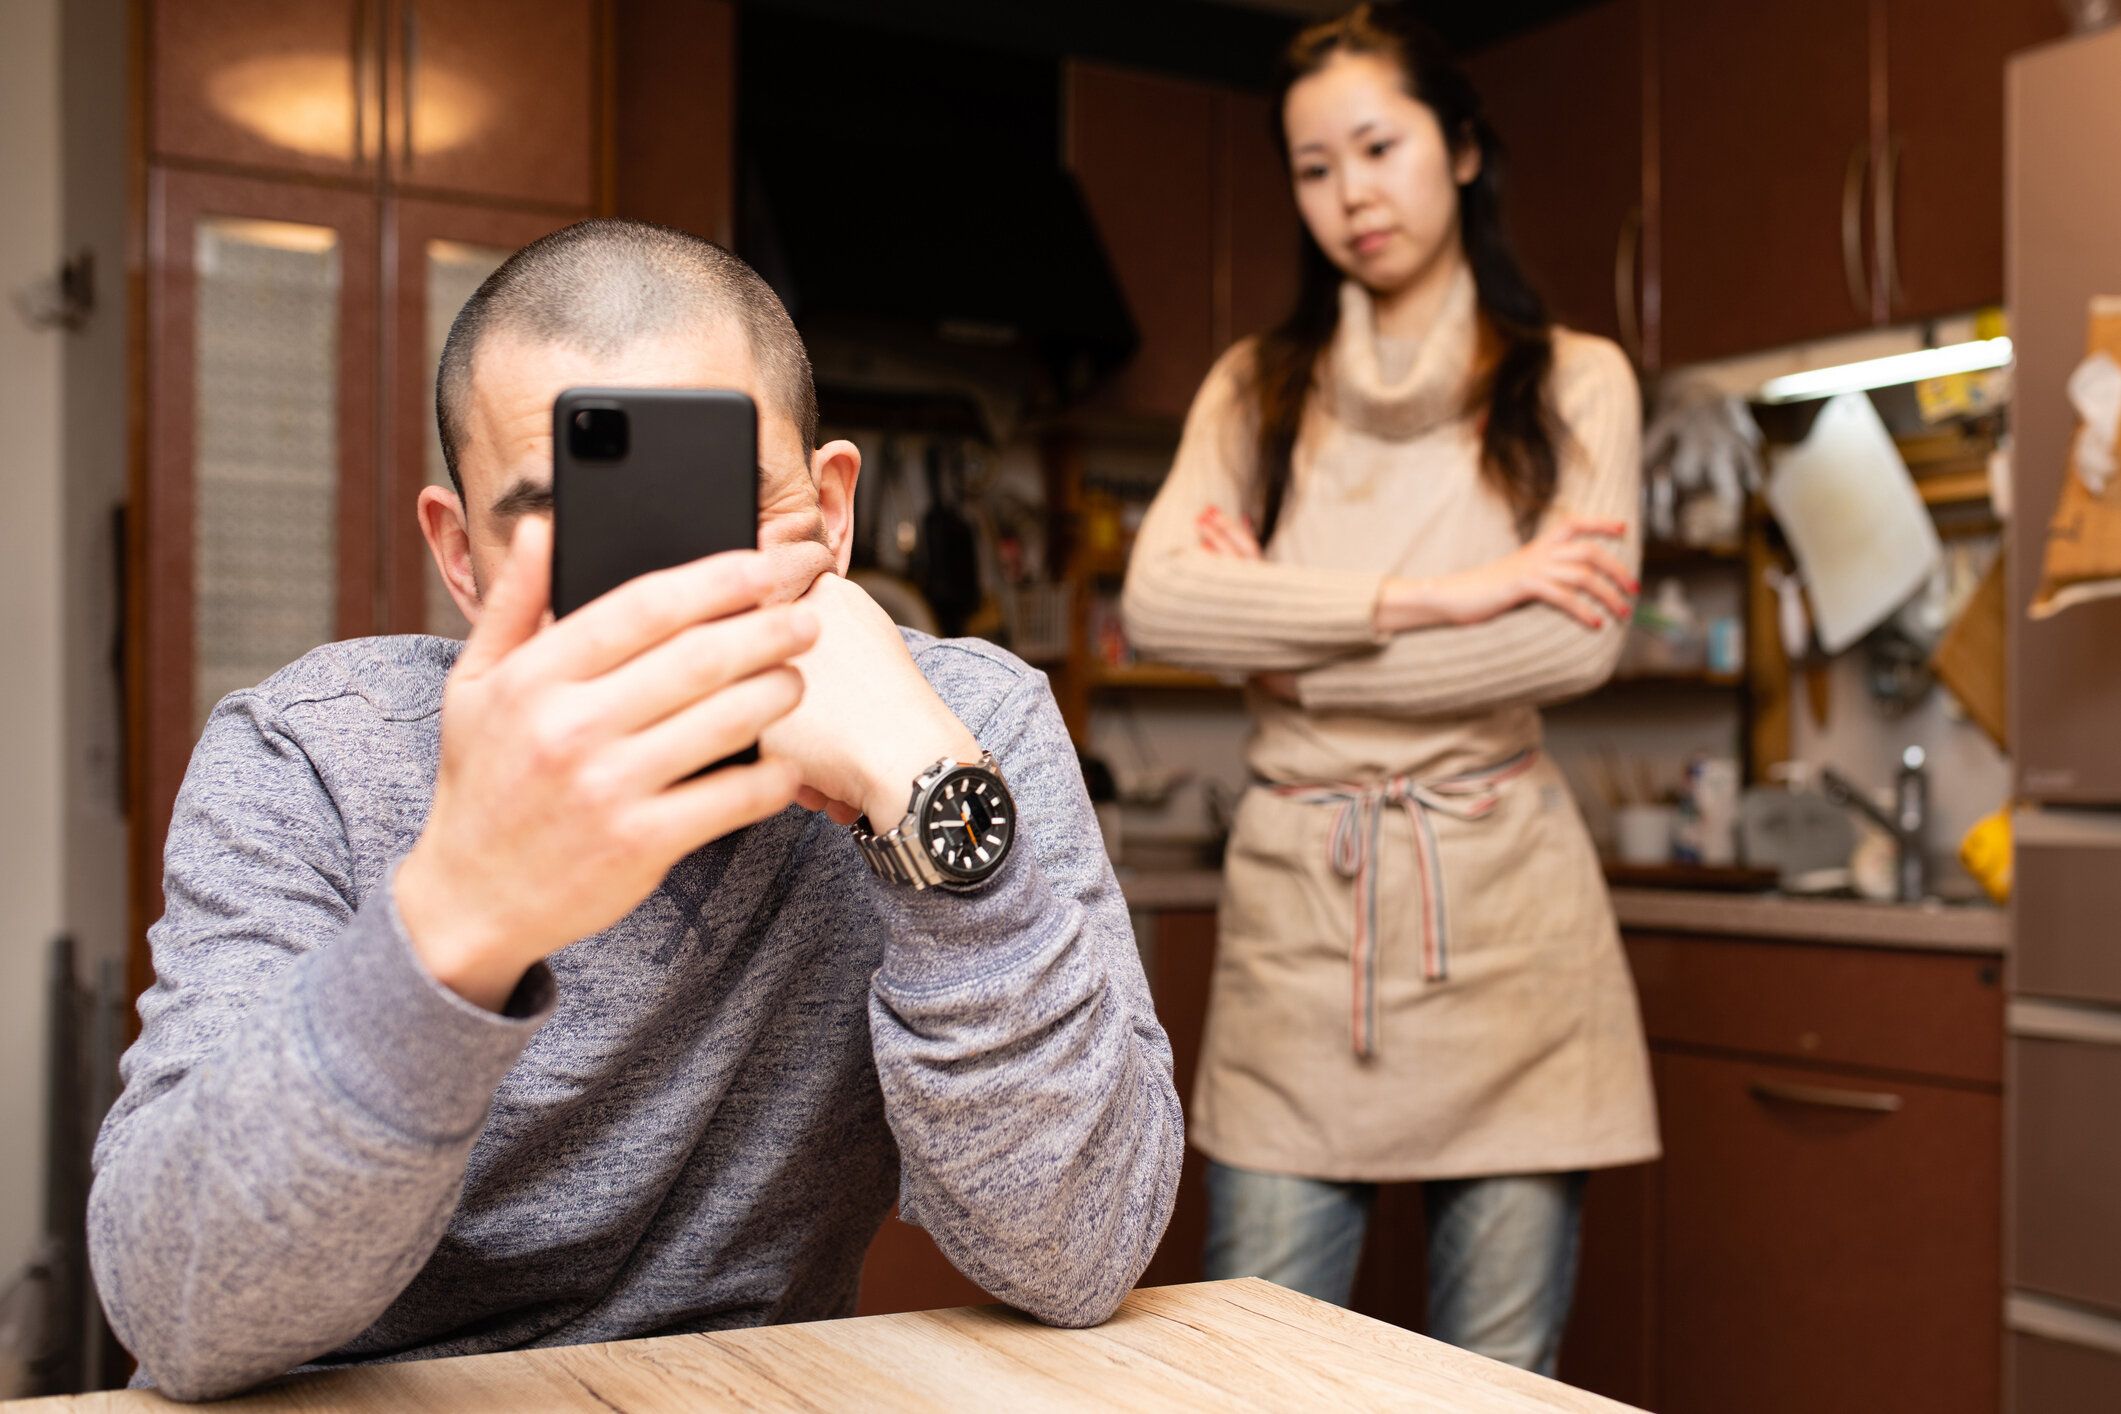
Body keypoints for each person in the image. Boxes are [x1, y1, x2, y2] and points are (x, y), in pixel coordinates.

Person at [90, 220, 1182, 1401]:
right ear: (461, 558)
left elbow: (1081, 1252)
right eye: (565, 520)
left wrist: (925, 802)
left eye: (717, 502)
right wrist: (461, 914)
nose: (659, 587)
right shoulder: (314, 753)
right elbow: (181, 1308)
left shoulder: (958, 725)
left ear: (829, 509)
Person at [1121, 3, 1657, 1376]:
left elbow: (1571, 648)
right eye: (1313, 165)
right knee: (1259, 1376)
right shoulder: (1257, 390)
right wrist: (1444, 595)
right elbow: (1158, 604)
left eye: (1379, 145)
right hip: (1301, 928)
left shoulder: (1577, 382)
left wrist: (1281, 638)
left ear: (1462, 147)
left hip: (1511, 933)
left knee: (1492, 1386)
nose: (1352, 192)